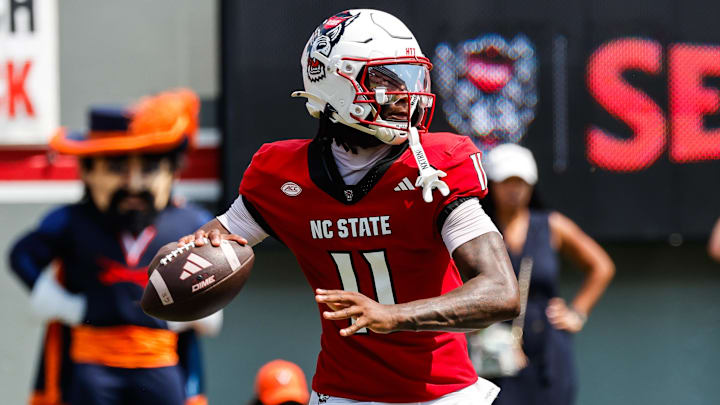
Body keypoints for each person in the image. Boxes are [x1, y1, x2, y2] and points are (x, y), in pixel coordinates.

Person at [175, 9, 519, 405]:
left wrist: (393, 316)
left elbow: (501, 292)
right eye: (386, 80)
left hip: (442, 394)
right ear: (335, 83)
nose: (406, 96)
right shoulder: (282, 175)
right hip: (342, 394)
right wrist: (190, 254)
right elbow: (217, 240)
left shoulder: (435, 167)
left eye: (409, 78)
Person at [9, 89, 222, 405]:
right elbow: (21, 255)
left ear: (173, 172)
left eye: (149, 170)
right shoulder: (70, 222)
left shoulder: (192, 223)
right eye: (117, 169)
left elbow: (220, 262)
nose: (133, 185)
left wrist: (200, 309)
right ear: (87, 172)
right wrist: (63, 305)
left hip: (160, 363)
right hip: (91, 366)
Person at [481, 143, 615, 405]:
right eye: (507, 182)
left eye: (521, 182)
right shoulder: (476, 229)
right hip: (493, 351)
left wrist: (578, 312)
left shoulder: (552, 226)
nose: (514, 190)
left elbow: (601, 266)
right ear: (492, 184)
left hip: (548, 352)